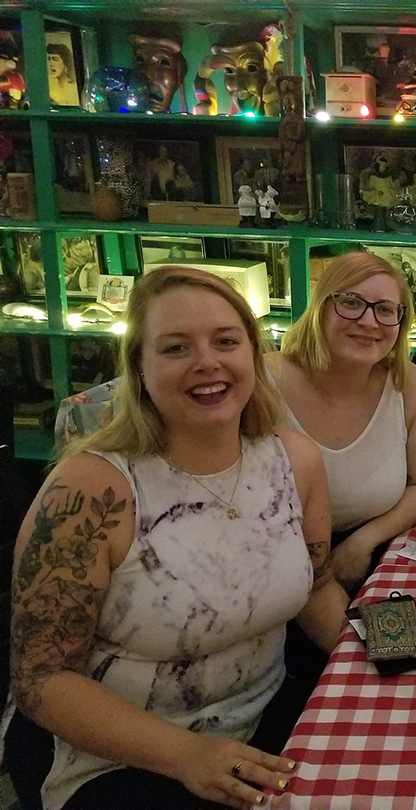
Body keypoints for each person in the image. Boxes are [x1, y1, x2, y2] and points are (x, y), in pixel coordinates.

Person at [6, 265, 349, 810]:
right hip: (121, 756)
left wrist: (390, 659)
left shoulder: (293, 459)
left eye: (226, 341)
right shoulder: (92, 489)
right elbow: (40, 679)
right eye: (174, 348)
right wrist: (187, 754)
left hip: (266, 720)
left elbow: (317, 586)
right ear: (138, 369)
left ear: (253, 357)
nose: (207, 362)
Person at [268, 252, 416, 591]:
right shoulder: (265, 379)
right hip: (275, 569)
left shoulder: (407, 383)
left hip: (375, 558)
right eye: (351, 302)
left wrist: (363, 541)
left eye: (385, 309)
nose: (369, 321)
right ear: (322, 306)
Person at [45, 41, 79, 107]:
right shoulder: (49, 88)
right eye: (49, 59)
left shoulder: (72, 89)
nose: (51, 64)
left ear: (65, 62)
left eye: (55, 59)